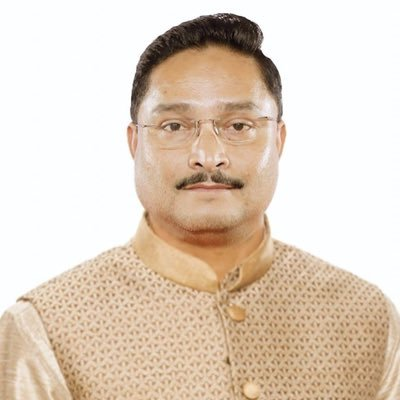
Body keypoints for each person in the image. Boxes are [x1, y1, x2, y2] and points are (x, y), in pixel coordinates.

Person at [0, 12, 399, 400]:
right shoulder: (48, 328)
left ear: (278, 140)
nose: (208, 156)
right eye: (174, 126)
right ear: (135, 142)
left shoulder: (366, 317)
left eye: (239, 126)